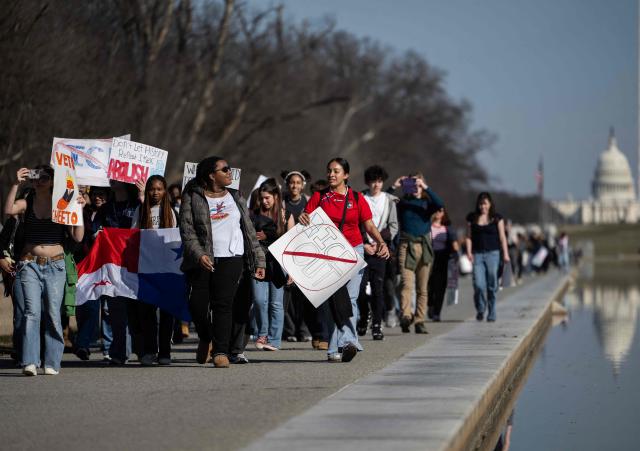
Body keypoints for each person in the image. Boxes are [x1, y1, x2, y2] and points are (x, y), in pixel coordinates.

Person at [299, 158, 390, 363]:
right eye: (329, 171)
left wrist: (381, 243)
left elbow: (368, 226)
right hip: (327, 253)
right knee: (332, 303)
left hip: (353, 251)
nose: (331, 174)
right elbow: (305, 218)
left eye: (336, 171)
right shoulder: (319, 196)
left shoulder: (357, 198)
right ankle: (335, 348)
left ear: (346, 175)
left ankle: (347, 343)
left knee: (349, 299)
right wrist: (303, 217)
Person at [180, 156, 265, 368]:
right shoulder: (192, 196)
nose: (230, 172)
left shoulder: (236, 196)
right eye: (224, 169)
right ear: (211, 175)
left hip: (231, 258)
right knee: (197, 305)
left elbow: (249, 231)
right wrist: (199, 254)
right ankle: (206, 336)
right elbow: (187, 231)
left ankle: (220, 351)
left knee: (223, 305)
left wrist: (259, 260)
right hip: (202, 259)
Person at [4, 165, 86, 376]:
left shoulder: (62, 204)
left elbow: (77, 237)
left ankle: (51, 361)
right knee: (31, 312)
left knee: (52, 314)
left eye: (44, 177)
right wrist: (15, 183)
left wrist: (79, 210)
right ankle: (30, 361)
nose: (39, 180)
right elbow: (8, 210)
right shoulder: (27, 202)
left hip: (56, 265)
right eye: (36, 177)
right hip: (29, 264)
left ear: (53, 181)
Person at [130, 175, 177, 365]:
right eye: (152, 189)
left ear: (165, 191)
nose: (155, 192)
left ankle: (164, 352)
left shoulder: (171, 212)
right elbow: (132, 236)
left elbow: (174, 238)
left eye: (159, 189)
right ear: (147, 191)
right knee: (147, 313)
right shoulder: (140, 211)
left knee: (166, 313)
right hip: (146, 269)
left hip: (166, 270)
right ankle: (149, 351)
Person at [391, 172, 444, 334]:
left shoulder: (427, 204)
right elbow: (385, 200)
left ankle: (420, 320)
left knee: (422, 288)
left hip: (424, 246)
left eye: (417, 184)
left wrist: (426, 188)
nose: (415, 187)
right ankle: (406, 316)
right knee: (406, 284)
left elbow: (440, 203)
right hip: (406, 246)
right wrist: (394, 186)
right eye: (412, 184)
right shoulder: (402, 203)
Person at [251, 178, 295, 351]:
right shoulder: (253, 215)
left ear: (276, 196)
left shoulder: (286, 215)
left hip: (278, 264)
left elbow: (292, 244)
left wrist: (292, 270)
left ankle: (274, 340)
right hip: (259, 263)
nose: (264, 201)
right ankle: (262, 333)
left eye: (268, 197)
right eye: (262, 198)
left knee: (276, 303)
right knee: (259, 300)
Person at [356, 165, 398, 340]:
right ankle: (364, 317)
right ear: (367, 182)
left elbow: (393, 226)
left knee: (378, 288)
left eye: (380, 181)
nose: (376, 185)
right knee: (359, 289)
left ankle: (376, 325)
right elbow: (356, 223)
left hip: (381, 250)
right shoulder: (360, 198)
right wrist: (365, 242)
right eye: (373, 181)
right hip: (363, 249)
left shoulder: (389, 200)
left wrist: (380, 242)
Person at [74, 186, 113, 361]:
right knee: (86, 305)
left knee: (107, 309)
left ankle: (109, 348)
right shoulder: (83, 212)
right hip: (86, 265)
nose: (98, 198)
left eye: (102, 194)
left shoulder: (112, 213)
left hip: (108, 266)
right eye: (95, 194)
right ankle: (83, 344)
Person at [465, 192, 510, 322]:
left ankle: (492, 311)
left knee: (492, 284)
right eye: (480, 204)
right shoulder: (472, 218)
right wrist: (468, 252)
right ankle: (480, 307)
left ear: (490, 204)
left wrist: (506, 254)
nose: (482, 207)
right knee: (478, 284)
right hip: (477, 255)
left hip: (493, 254)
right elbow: (468, 237)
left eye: (485, 204)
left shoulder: (497, 218)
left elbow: (502, 237)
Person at [280, 170, 313, 344]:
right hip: (285, 252)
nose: (295, 186)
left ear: (303, 185)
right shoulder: (282, 203)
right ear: (287, 184)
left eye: (298, 183)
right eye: (292, 182)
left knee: (304, 295)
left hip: (305, 252)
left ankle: (304, 329)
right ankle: (289, 330)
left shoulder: (308, 201)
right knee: (288, 295)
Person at [427, 207, 459, 322]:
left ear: (444, 213)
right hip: (429, 258)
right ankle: (430, 304)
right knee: (428, 285)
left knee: (440, 288)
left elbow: (455, 244)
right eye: (435, 210)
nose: (438, 213)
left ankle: (437, 312)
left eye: (440, 211)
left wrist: (455, 253)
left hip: (443, 259)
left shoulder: (447, 229)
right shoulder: (427, 226)